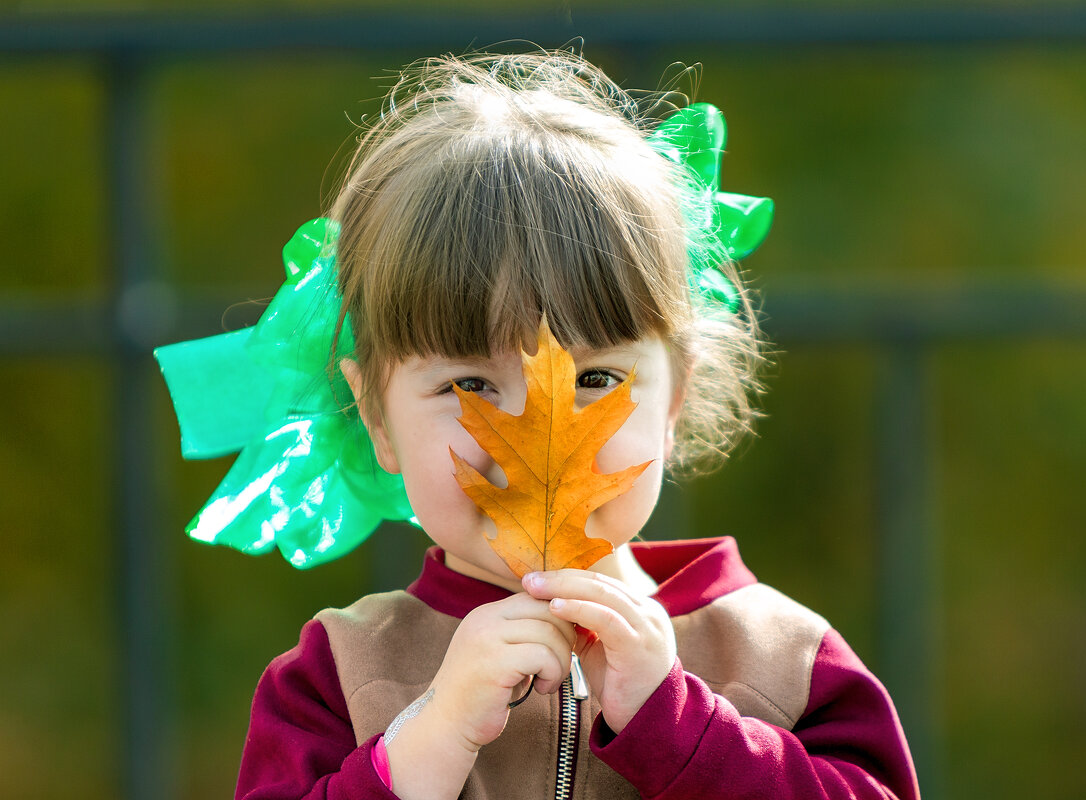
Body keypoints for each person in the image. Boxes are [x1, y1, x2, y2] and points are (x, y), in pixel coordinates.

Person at [158, 49, 919, 800]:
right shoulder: (341, 676)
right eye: (468, 384)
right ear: (376, 418)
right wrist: (426, 746)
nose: (523, 431)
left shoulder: (782, 658)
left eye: (594, 378)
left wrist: (683, 732)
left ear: (673, 400)